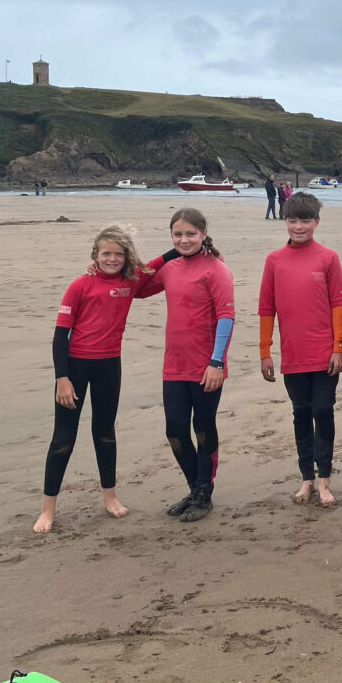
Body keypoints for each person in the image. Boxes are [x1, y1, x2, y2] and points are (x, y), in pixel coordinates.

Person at [33, 225, 179, 533]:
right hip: (74, 368)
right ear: (95, 256)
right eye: (106, 253)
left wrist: (188, 248)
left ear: (126, 257)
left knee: (105, 433)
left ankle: (110, 496)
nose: (112, 259)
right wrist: (62, 378)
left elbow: (156, 266)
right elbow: (60, 337)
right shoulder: (80, 285)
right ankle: (48, 508)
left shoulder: (130, 282)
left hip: (109, 366)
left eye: (118, 254)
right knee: (63, 438)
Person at [137, 208, 235, 522]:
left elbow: (226, 317)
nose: (184, 240)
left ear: (203, 234)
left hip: (206, 366)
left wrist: (216, 363)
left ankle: (203, 491)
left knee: (203, 428)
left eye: (191, 234)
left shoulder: (216, 269)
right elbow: (138, 288)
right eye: (177, 235)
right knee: (175, 431)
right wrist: (167, 256)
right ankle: (196, 489)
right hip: (174, 365)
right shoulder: (171, 268)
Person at [259, 192, 342, 507]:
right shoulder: (274, 260)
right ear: (285, 221)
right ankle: (307, 478)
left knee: (323, 410)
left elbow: (338, 304)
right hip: (293, 355)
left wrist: (338, 347)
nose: (299, 226)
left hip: (324, 355)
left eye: (305, 220)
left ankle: (324, 478)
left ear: (316, 222)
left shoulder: (328, 258)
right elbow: (266, 308)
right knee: (301, 413)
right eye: (293, 220)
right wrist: (265, 351)